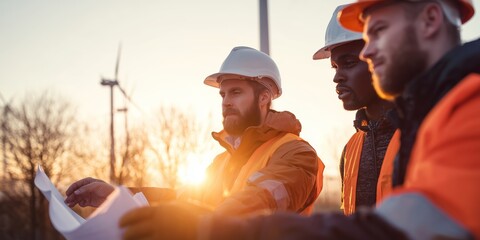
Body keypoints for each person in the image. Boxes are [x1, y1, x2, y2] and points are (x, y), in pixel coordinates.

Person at [118, 1, 480, 239]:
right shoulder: (382, 136)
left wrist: (209, 227)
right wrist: (124, 199)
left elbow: (399, 228)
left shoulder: (466, 107)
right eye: (222, 94)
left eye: (378, 33)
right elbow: (188, 197)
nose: (369, 51)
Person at [65, 46, 324, 217]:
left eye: (236, 92)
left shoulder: (296, 152)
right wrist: (117, 197)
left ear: (264, 97)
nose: (226, 101)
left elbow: (260, 201)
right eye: (223, 94)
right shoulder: (221, 163)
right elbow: (181, 202)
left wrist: (196, 223)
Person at [313, 4, 399, 215]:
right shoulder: (350, 150)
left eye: (348, 63)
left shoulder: (423, 131)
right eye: (335, 67)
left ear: (379, 55)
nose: (337, 77)